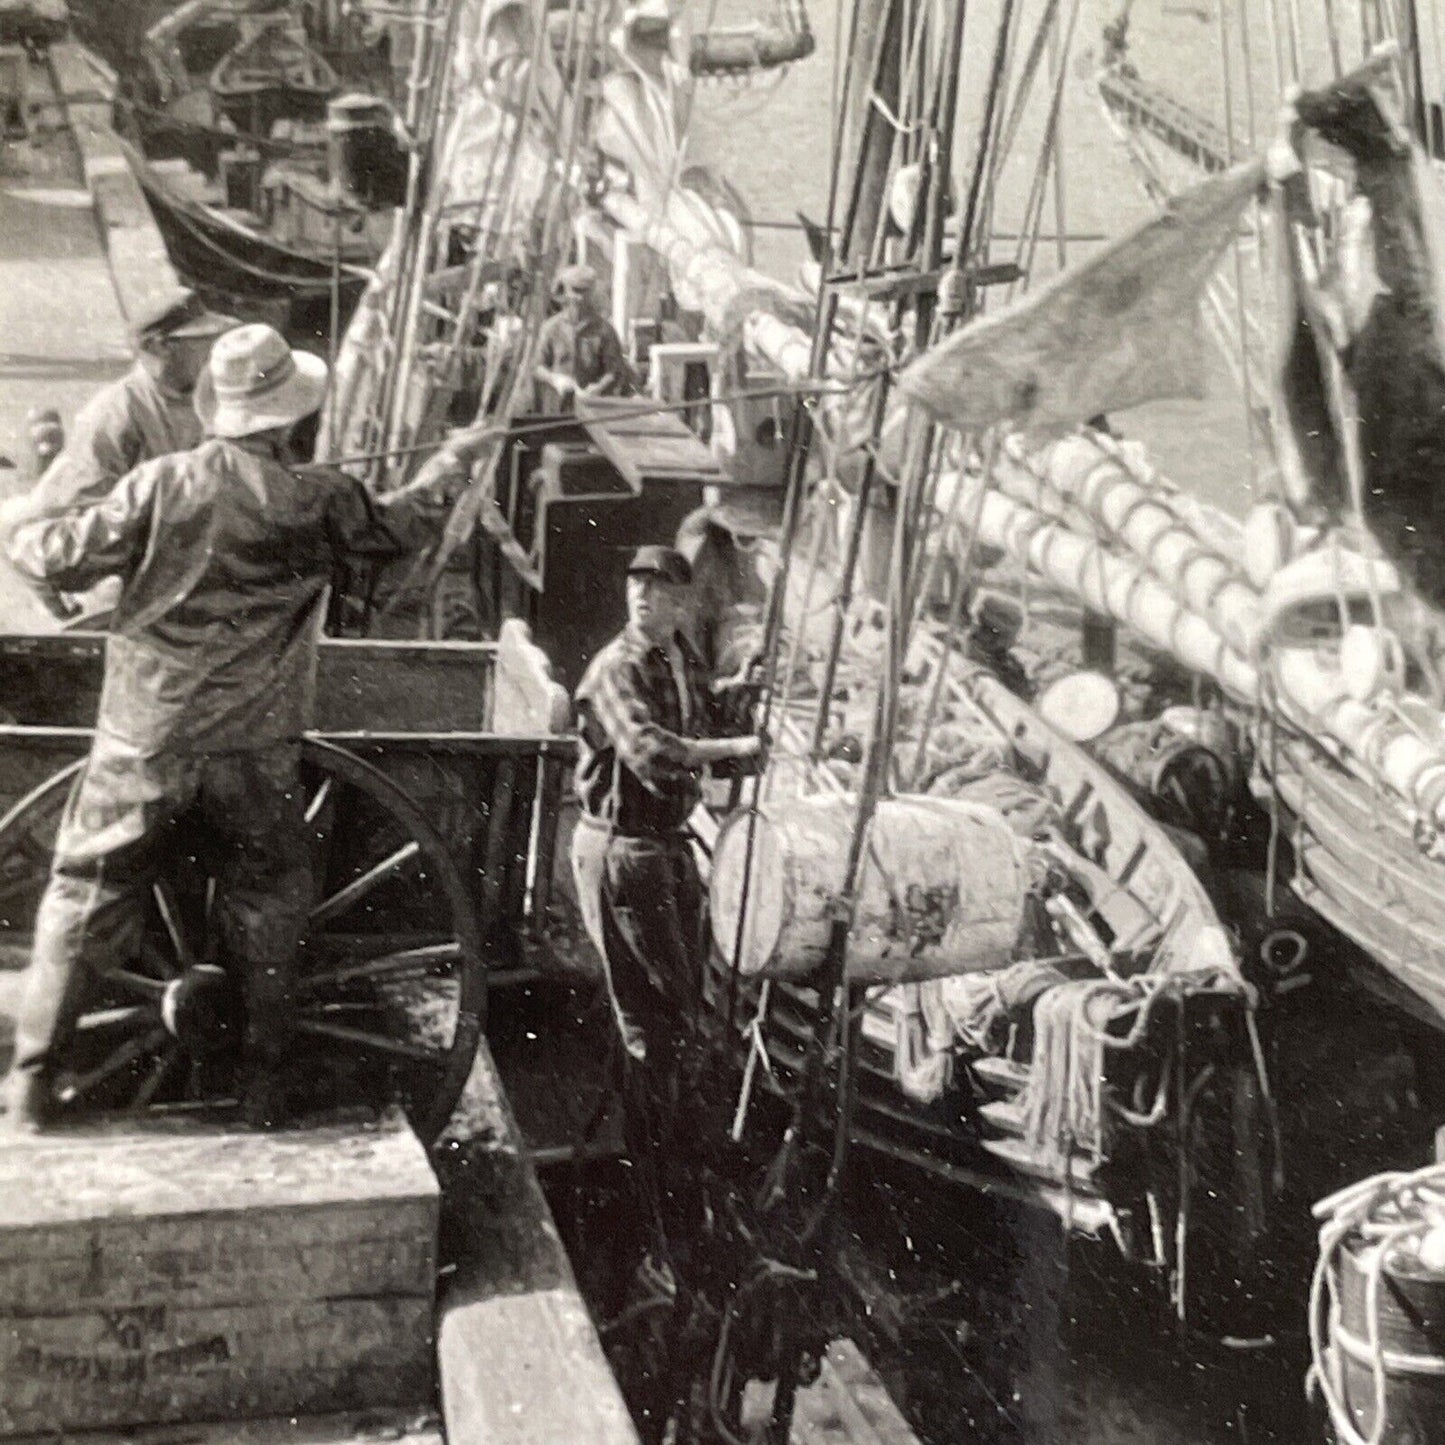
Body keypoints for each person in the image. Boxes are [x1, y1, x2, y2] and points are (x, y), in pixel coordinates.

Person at [0, 324, 461, 1134]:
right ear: (287, 418)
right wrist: (450, 468)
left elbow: (53, 554)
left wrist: (25, 532)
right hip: (253, 743)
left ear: (219, 407)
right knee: (271, 901)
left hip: (146, 740)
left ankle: (32, 1086)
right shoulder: (319, 499)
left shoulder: (158, 484)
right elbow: (400, 527)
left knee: (84, 897)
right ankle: (258, 1088)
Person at [570, 547, 765, 1262]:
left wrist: (738, 693)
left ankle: (673, 1149)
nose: (644, 598)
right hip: (623, 849)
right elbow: (653, 751)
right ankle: (653, 1178)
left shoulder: (676, 656)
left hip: (664, 845)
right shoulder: (614, 667)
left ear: (683, 601)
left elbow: (702, 709)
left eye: (659, 589)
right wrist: (737, 746)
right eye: (636, 586)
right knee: (654, 1013)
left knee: (679, 1003)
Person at [533, 262, 634, 412]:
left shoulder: (604, 330)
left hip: (592, 409)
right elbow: (537, 367)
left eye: (584, 292)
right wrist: (555, 379)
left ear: (592, 291)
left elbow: (614, 371)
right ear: (566, 291)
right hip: (555, 410)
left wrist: (597, 389)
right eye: (575, 291)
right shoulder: (551, 328)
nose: (579, 298)